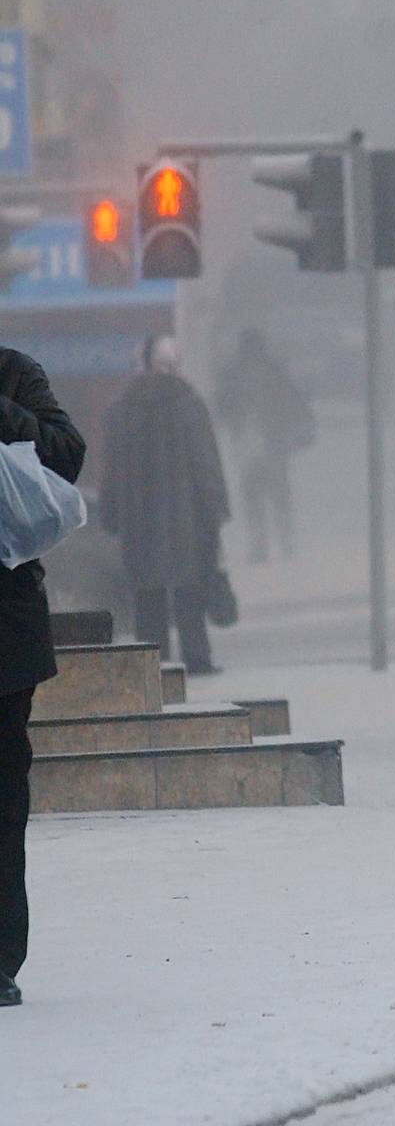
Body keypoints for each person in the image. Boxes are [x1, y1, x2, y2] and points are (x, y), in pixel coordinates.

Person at [0, 348, 85, 1007]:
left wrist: (4, 416)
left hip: (5, 628)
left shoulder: (15, 374)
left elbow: (65, 454)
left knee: (2, 799)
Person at [100, 335, 230, 676]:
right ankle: (197, 658)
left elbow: (110, 470)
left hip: (139, 523)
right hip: (187, 520)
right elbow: (206, 463)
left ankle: (152, 664)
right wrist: (216, 510)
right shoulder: (188, 402)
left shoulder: (120, 409)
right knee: (190, 590)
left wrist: (111, 515)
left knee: (147, 597)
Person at [214, 328, 314, 564]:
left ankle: (260, 547)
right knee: (279, 494)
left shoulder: (233, 373)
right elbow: (294, 400)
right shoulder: (274, 370)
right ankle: (286, 542)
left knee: (253, 496)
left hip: (249, 442)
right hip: (274, 442)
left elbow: (221, 407)